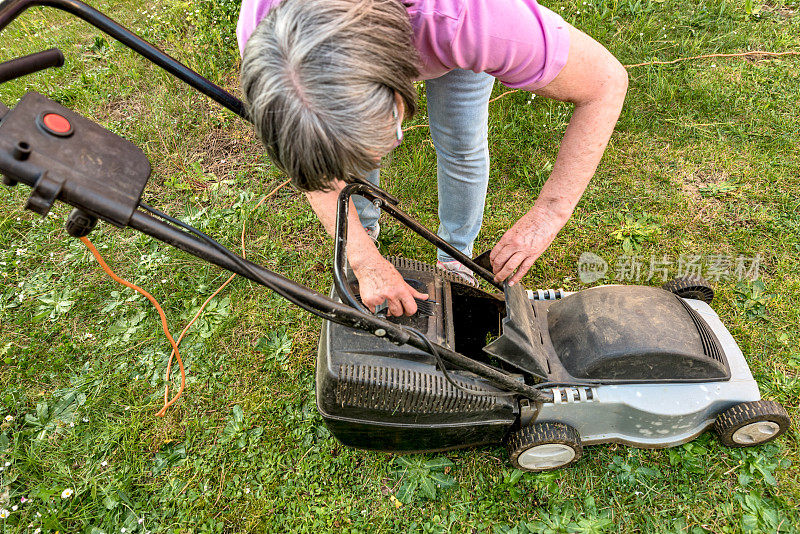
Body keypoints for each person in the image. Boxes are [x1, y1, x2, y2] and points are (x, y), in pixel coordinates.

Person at [237, 0, 627, 317]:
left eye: (386, 131)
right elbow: (315, 169)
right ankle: (364, 231)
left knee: (460, 142)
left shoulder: (471, 19)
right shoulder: (269, 43)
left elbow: (606, 82)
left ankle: (455, 255)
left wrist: (548, 214)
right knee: (345, 148)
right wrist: (362, 258)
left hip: (441, 26)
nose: (393, 146)